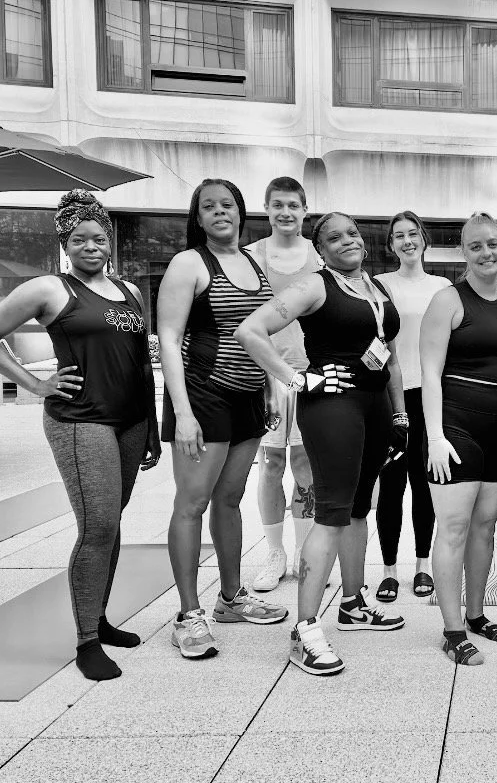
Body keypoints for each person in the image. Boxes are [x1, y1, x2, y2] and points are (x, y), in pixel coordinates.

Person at [0, 190, 159, 681]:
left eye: (99, 238)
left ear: (110, 242)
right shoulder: (50, 289)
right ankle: (86, 640)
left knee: (112, 523)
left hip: (131, 421)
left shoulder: (129, 292)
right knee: (97, 526)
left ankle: (100, 618)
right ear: (65, 245)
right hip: (80, 420)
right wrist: (35, 384)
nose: (91, 246)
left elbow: (139, 363)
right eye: (79, 239)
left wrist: (152, 428)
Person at [236, 212, 408, 676]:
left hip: (374, 407)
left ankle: (352, 604)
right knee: (331, 514)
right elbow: (250, 331)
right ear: (321, 250)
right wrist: (297, 379)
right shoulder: (314, 285)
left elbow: (389, 356)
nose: (347, 241)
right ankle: (304, 631)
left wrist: (399, 414)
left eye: (352, 233)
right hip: (333, 407)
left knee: (358, 509)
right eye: (334, 237)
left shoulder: (376, 288)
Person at [158, 178, 289, 661]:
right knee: (192, 503)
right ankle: (188, 614)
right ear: (197, 217)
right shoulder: (188, 263)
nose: (220, 212)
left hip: (247, 399)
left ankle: (231, 599)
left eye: (227, 204)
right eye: (208, 206)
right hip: (202, 396)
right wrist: (183, 414)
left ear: (240, 211)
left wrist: (270, 387)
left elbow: (260, 334)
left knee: (229, 500)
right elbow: (169, 339)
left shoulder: (253, 262)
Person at [420, 213, 497, 665]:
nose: (487, 253)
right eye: (475, 246)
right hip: (456, 428)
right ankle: (452, 630)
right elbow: (429, 372)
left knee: (485, 525)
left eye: (493, 244)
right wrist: (434, 436)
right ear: (463, 252)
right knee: (453, 528)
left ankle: (476, 614)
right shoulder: (447, 300)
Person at [246, 176, 322, 592]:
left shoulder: (319, 255)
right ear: (267, 209)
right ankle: (274, 552)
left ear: (304, 210)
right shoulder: (251, 256)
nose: (286, 212)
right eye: (278, 204)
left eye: (293, 205)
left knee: (306, 464)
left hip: (310, 373)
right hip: (267, 376)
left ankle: (304, 551)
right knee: (271, 463)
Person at [374, 211, 451, 602]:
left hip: (430, 394)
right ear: (391, 245)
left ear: (423, 239)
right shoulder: (379, 284)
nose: (407, 241)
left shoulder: (442, 286)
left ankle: (423, 565)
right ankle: (389, 570)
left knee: (425, 484)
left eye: (412, 234)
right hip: (391, 394)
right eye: (399, 236)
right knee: (391, 484)